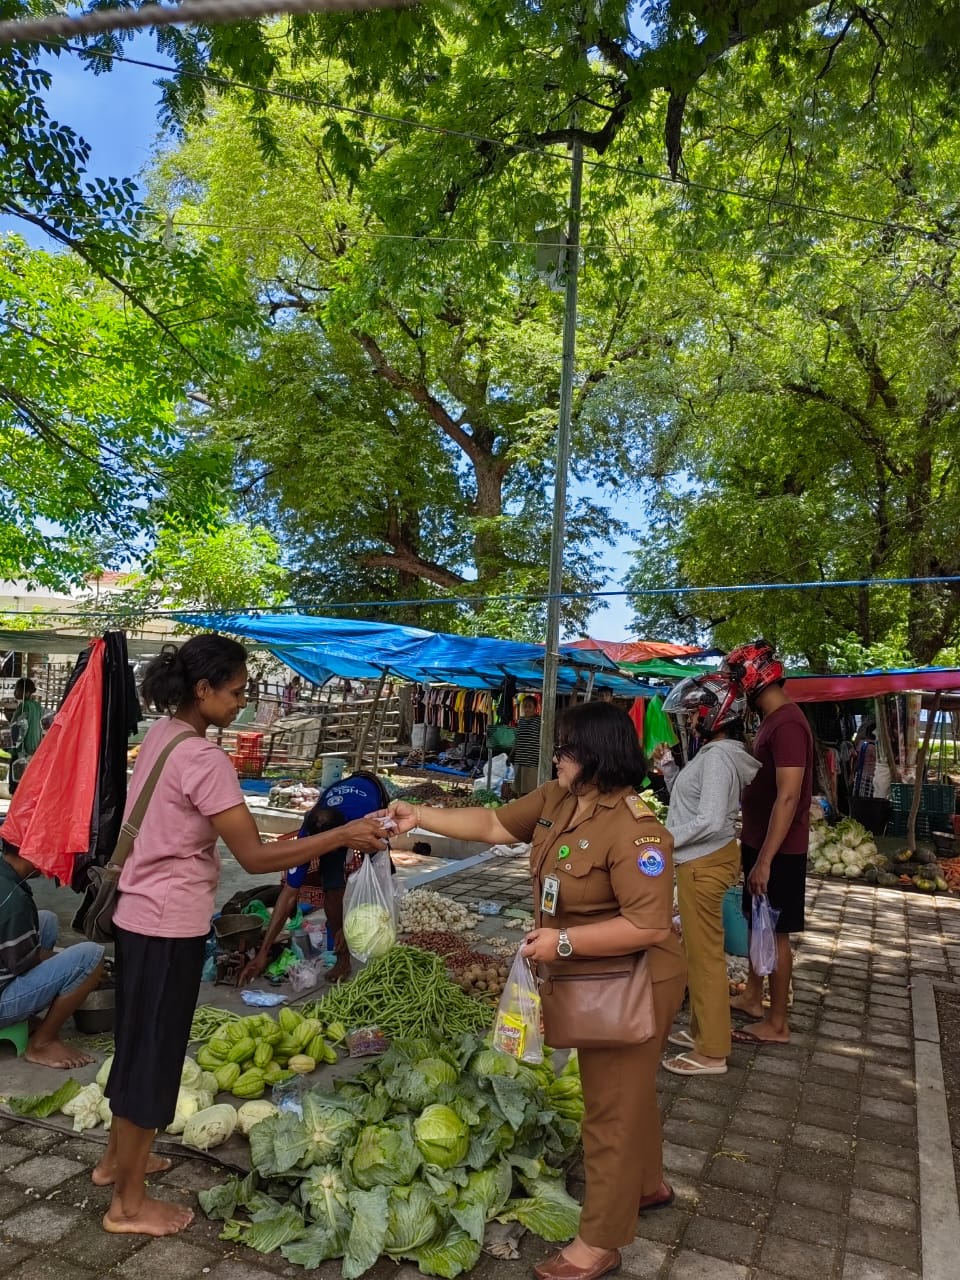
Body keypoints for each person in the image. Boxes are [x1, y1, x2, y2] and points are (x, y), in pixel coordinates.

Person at [97, 635, 387, 1239]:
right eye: (235, 693)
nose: (241, 703)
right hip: (166, 925)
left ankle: (115, 1163)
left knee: (136, 1045)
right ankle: (127, 1205)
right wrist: (339, 837)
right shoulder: (204, 760)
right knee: (152, 1061)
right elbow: (255, 857)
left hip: (136, 918)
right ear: (202, 690)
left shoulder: (162, 736)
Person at [387, 701, 686, 1280]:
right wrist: (417, 815)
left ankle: (600, 1241)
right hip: (590, 975)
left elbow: (649, 925)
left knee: (609, 1110)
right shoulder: (558, 799)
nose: (556, 756)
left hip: (637, 980)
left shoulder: (638, 831)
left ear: (597, 755)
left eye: (567, 749)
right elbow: (495, 824)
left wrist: (564, 944)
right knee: (626, 1094)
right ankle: (645, 1185)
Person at [658, 674, 760, 1075]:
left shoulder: (718, 758)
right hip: (700, 859)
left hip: (703, 862)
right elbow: (693, 805)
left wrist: (658, 839)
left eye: (694, 715)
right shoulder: (715, 754)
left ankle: (712, 1052)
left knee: (704, 961)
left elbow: (711, 819)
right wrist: (669, 770)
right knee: (698, 954)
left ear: (716, 715)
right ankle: (704, 1031)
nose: (689, 722)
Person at [722, 638, 814, 1046]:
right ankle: (754, 999)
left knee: (775, 931)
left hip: (780, 851)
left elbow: (789, 795)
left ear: (753, 676)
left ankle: (777, 1023)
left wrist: (766, 861)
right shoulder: (772, 721)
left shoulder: (789, 723)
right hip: (761, 842)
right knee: (758, 922)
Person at [0, 844, 106, 1068]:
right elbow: (21, 961)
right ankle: (42, 1043)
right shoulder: (14, 901)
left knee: (46, 920)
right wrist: (70, 964)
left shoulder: (5, 875)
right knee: (91, 958)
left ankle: (25, 1019)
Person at [8, 677, 43, 794]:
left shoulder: (24, 707)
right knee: (28, 785)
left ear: (26, 692)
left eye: (17, 689)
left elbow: (18, 730)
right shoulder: (38, 707)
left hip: (21, 751)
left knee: (16, 785)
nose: (15, 692)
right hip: (34, 750)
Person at [512, 695, 542, 796]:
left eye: (529, 706)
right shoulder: (521, 720)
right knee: (519, 789)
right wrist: (511, 755)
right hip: (520, 759)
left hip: (532, 760)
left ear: (535, 708)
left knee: (531, 790)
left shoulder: (539, 721)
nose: (527, 709)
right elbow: (517, 739)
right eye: (525, 706)